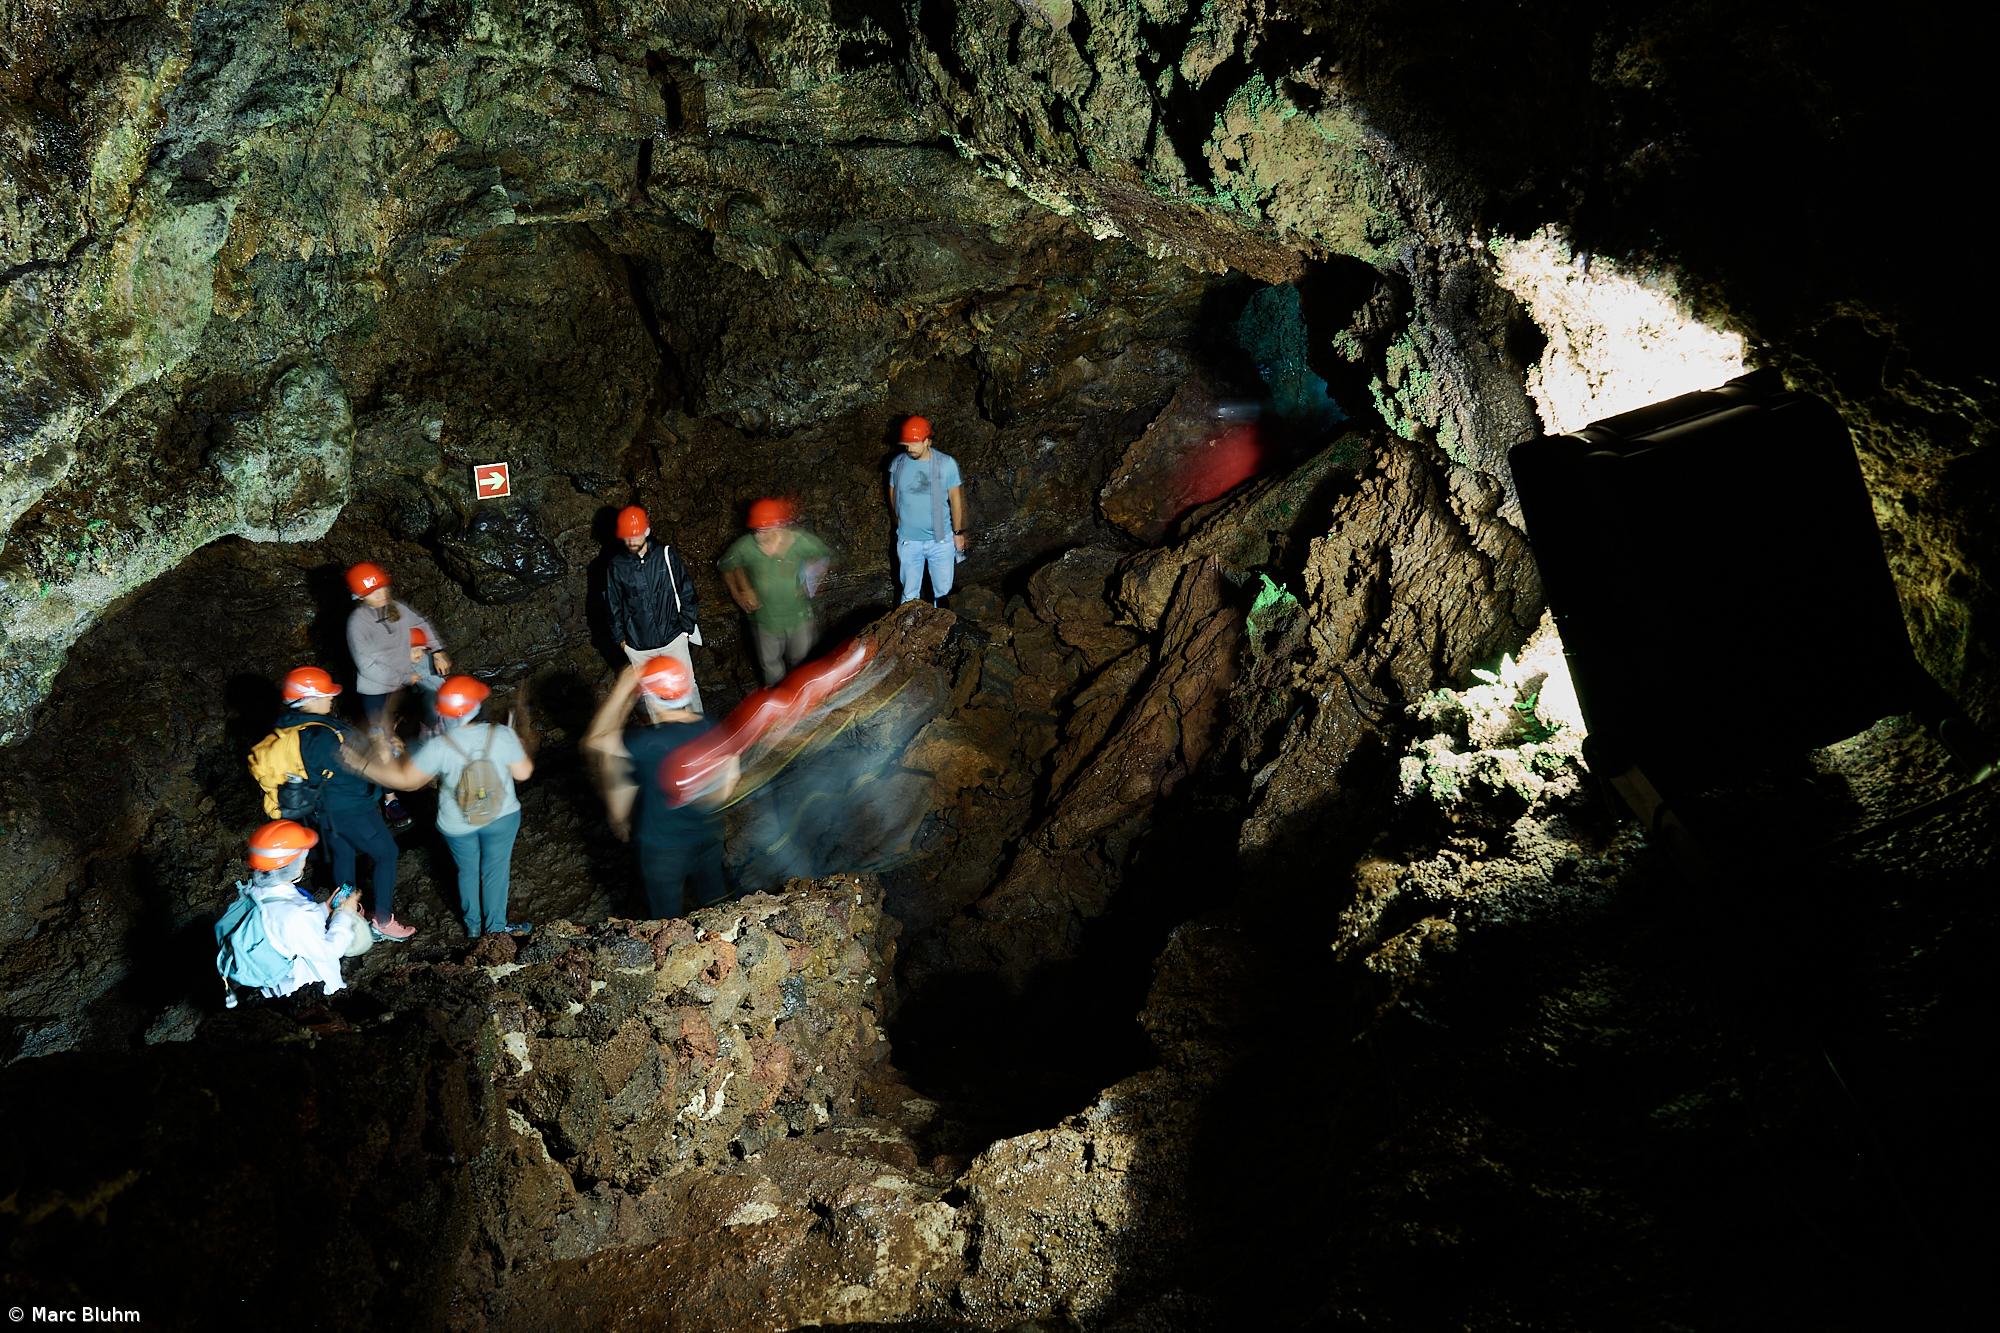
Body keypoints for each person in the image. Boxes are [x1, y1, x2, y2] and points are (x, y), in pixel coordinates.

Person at [345, 675, 536, 941]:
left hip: (457, 823)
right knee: (496, 869)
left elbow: (407, 782)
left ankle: (472, 927)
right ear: (476, 706)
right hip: (501, 816)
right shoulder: (500, 734)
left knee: (467, 871)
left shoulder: (438, 746)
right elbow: (524, 773)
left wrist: (362, 765)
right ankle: (494, 929)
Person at [583, 657, 738, 920]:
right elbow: (730, 780)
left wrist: (622, 691)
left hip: (662, 847)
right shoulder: (711, 728)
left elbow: (595, 739)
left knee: (666, 917)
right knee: (717, 903)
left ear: (649, 699)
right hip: (707, 836)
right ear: (687, 690)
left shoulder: (646, 743)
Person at [277, 665, 416, 940]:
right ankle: (383, 921)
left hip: (322, 810)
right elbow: (353, 767)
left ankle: (346, 914)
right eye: (326, 694)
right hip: (351, 808)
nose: (331, 698)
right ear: (310, 698)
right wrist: (381, 750)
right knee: (386, 853)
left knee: (344, 855)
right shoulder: (323, 735)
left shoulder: (290, 727)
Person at [344, 560, 449, 831]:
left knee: (430, 718)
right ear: (361, 597)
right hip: (378, 690)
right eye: (374, 591)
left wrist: (436, 650)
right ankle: (390, 800)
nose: (381, 594)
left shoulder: (394, 609)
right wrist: (403, 675)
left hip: (405, 680)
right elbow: (367, 666)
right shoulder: (357, 623)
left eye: (382, 588)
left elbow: (421, 623)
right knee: (383, 741)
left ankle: (433, 773)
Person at [219, 820, 372, 1005]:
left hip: (276, 974)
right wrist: (345, 913)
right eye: (302, 855)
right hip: (302, 988)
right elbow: (329, 950)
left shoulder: (256, 891)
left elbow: (289, 921)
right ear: (292, 863)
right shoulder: (295, 915)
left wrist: (326, 908)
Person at [719, 497, 835, 686]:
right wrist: (740, 592)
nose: (760, 535)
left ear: (780, 526)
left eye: (766, 530)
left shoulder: (799, 542)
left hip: (799, 618)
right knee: (771, 667)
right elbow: (727, 565)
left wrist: (812, 579)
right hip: (766, 621)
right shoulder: (747, 547)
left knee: (803, 664)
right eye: (757, 530)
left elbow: (823, 555)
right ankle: (778, 701)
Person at [604, 505, 704, 717]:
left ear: (646, 531)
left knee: (687, 683)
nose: (632, 541)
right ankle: (663, 738)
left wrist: (685, 626)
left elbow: (686, 590)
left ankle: (699, 729)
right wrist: (621, 640)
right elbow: (613, 604)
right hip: (638, 644)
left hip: (672, 636)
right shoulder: (616, 565)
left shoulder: (665, 555)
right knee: (651, 692)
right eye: (627, 537)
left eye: (636, 535)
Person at [887, 414, 968, 604]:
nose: (909, 447)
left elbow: (955, 499)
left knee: (942, 590)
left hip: (940, 540)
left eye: (914, 443)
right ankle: (906, 631)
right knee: (909, 593)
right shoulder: (897, 464)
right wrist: (899, 520)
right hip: (909, 541)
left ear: (927, 441)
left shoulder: (946, 464)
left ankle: (942, 628)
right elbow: (893, 493)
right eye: (906, 443)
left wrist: (957, 532)